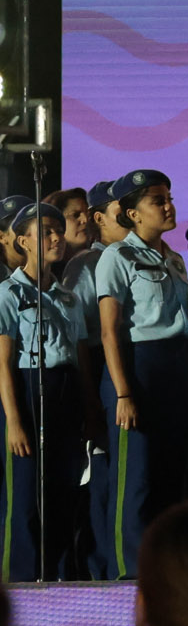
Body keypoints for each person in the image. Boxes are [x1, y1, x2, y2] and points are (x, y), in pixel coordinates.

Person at [90, 169, 188, 578]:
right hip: (138, 369)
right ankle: (128, 573)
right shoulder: (118, 257)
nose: (169, 206)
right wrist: (123, 393)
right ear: (132, 214)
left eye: (169, 197)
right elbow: (108, 330)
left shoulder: (172, 258)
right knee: (135, 481)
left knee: (172, 478)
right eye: (157, 201)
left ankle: (165, 571)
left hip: (177, 370)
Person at [0, 203, 86, 582]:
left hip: (65, 392)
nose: (57, 237)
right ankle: (19, 580)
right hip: (28, 391)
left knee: (63, 492)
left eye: (58, 230)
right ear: (23, 241)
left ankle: (59, 578)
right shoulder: (9, 293)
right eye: (46, 231)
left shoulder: (68, 296)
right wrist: (15, 421)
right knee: (26, 497)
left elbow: (78, 356)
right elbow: (3, 363)